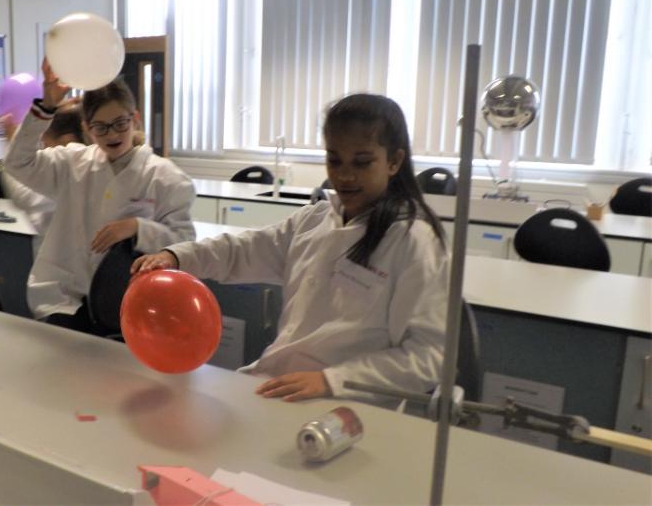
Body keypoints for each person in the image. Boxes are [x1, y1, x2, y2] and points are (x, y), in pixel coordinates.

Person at [133, 94, 449, 405]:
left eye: (362, 162)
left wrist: (333, 380)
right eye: (334, 159)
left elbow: (427, 357)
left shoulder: (413, 240)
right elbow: (244, 250)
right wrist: (178, 257)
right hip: (278, 387)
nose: (345, 174)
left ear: (394, 161)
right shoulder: (315, 220)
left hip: (346, 406)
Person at [4, 60, 195, 333]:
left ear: (135, 118)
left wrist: (139, 228)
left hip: (132, 304)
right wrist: (45, 106)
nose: (113, 134)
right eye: (101, 127)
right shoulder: (72, 163)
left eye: (120, 123)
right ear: (87, 128)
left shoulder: (167, 178)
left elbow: (184, 245)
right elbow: (17, 164)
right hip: (65, 300)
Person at [0, 104, 85, 250]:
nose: (44, 149)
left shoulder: (65, 171)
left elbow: (23, 196)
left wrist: (11, 142)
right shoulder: (94, 162)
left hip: (63, 263)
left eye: (46, 143)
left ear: (66, 141)